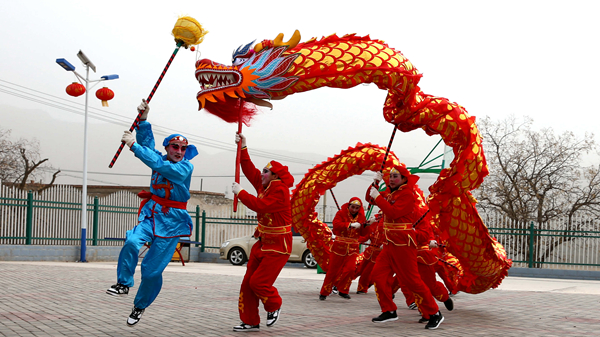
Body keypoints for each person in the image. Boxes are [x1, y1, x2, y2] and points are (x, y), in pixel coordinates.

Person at [105, 99, 198, 327]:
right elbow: (149, 148)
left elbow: (159, 165)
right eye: (174, 147)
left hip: (173, 222)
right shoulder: (160, 156)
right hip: (152, 213)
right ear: (167, 148)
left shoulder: (185, 167)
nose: (178, 151)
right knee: (131, 241)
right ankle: (124, 283)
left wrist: (133, 146)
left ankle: (140, 306)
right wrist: (144, 119)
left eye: (183, 148)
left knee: (151, 272)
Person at [366, 165, 444, 330]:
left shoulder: (407, 195)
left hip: (403, 245)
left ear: (403, 179)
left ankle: (435, 312)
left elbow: (393, 212)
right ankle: (389, 310)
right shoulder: (390, 193)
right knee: (377, 276)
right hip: (389, 245)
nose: (392, 179)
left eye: (396, 176)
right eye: (390, 176)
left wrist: (378, 198)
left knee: (412, 281)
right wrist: (375, 182)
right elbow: (370, 198)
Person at [230, 133, 294, 332]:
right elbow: (249, 170)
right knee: (247, 284)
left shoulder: (280, 190)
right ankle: (250, 321)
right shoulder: (265, 184)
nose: (262, 174)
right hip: (263, 242)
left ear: (275, 176)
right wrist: (243, 147)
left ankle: (274, 305)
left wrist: (240, 192)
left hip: (278, 247)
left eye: (266, 171)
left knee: (259, 282)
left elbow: (260, 206)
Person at [319, 197, 368, 300]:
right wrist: (349, 225)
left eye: (357, 208)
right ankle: (324, 292)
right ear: (349, 206)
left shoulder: (361, 217)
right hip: (339, 247)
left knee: (350, 269)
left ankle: (343, 289)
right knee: (333, 271)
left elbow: (363, 233)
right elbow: (336, 225)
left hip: (353, 248)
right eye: (353, 207)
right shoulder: (341, 214)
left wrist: (366, 225)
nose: (354, 210)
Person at [354, 212, 384, 294]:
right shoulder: (373, 225)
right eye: (379, 215)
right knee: (358, 268)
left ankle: (362, 288)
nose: (380, 217)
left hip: (378, 254)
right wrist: (355, 240)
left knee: (367, 272)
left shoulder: (388, 226)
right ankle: (340, 283)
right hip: (369, 252)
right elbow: (366, 237)